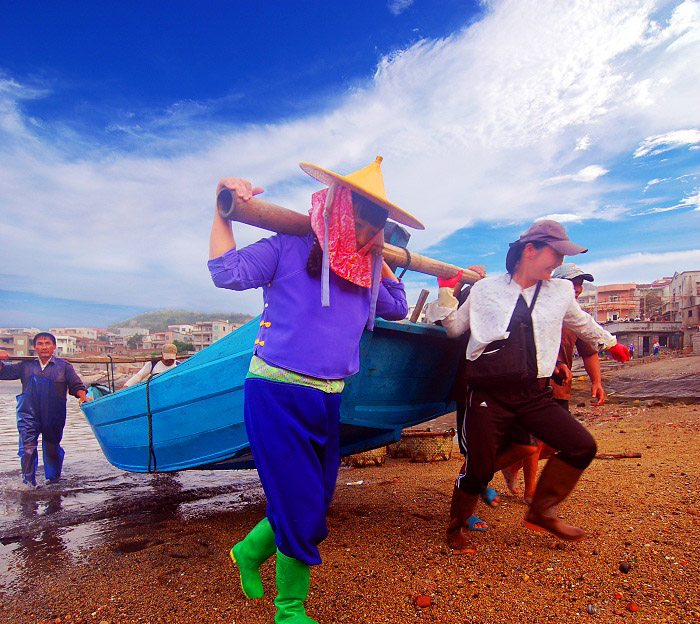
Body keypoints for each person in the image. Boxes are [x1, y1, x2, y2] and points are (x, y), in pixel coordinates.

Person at [208, 156, 420, 623]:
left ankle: (247, 551)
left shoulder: (366, 266)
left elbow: (400, 307)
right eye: (360, 222)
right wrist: (222, 210)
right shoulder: (289, 245)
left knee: (316, 499)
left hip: (328, 398)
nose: (365, 234)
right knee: (303, 508)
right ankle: (291, 610)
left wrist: (379, 255)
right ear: (338, 209)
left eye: (376, 227)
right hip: (276, 393)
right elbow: (226, 272)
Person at [429, 220, 629, 550]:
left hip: (533, 394)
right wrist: (445, 290)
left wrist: (611, 343)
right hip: (487, 394)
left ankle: (541, 510)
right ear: (530, 250)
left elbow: (581, 321)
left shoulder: (561, 291)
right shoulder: (485, 289)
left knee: (581, 446)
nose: (560, 262)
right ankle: (455, 528)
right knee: (478, 469)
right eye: (556, 253)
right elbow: (453, 329)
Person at [502, 262, 607, 504]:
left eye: (580, 284)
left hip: (561, 387)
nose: (578, 289)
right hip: (533, 383)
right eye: (573, 283)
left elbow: (589, 352)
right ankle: (531, 493)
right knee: (534, 441)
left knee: (553, 443)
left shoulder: (577, 318)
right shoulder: (536, 309)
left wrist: (597, 382)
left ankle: (512, 467)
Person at [0, 332, 92, 487]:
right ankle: (28, 485)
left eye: (48, 343)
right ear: (35, 347)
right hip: (28, 415)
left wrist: (84, 397)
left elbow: (76, 386)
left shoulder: (64, 367)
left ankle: (54, 482)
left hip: (54, 416)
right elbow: (2, 372)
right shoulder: (25, 365)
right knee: (28, 449)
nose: (44, 347)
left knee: (52, 449)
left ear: (54, 347)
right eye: (40, 344)